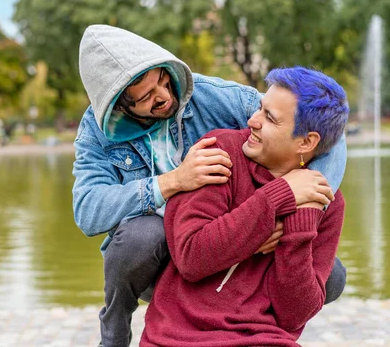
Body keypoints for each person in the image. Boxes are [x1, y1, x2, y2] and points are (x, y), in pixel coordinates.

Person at [72, 25, 347, 347]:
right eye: (145, 97)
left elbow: (325, 133)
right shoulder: (97, 133)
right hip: (162, 251)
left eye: (162, 80)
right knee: (140, 237)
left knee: (330, 273)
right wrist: (173, 181)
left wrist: (295, 209)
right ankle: (115, 335)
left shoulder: (212, 95)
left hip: (229, 230)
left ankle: (244, 319)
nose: (162, 96)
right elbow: (88, 210)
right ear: (119, 104)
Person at [140, 67, 349, 347]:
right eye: (260, 109)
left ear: (307, 142)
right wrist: (279, 196)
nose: (252, 120)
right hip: (181, 337)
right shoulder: (218, 152)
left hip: (266, 340)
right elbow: (190, 256)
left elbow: (293, 315)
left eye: (269, 118)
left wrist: (301, 220)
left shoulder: (326, 202)